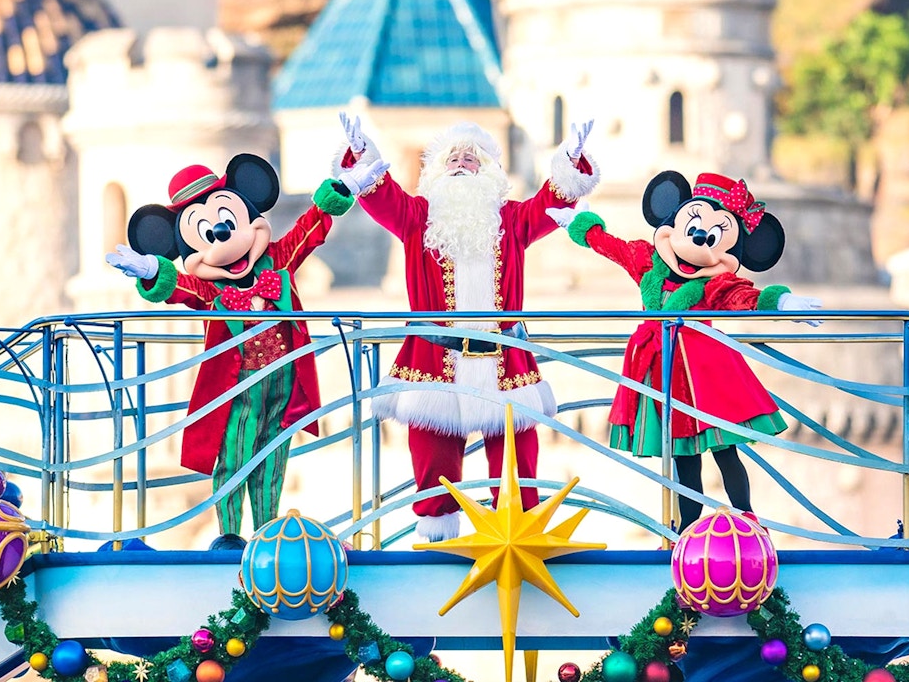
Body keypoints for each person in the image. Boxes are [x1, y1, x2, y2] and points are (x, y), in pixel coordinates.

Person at [336, 114, 600, 541]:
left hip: (504, 362)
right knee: (433, 465)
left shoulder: (511, 220)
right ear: (436, 172)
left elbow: (551, 204)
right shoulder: (418, 217)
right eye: (452, 159)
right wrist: (363, 155)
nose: (461, 164)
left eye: (471, 159)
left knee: (517, 466)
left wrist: (569, 162)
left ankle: (520, 542)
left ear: (489, 170)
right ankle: (438, 541)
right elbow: (383, 198)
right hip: (435, 361)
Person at [549, 170, 822, 534]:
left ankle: (747, 517)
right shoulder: (649, 264)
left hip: (707, 379)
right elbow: (614, 248)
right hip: (663, 374)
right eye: (693, 227)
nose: (698, 241)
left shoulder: (715, 283)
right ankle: (687, 528)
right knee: (684, 459)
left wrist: (781, 302)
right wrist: (581, 226)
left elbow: (743, 296)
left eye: (713, 237)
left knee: (725, 450)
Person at [105, 154, 355, 549]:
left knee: (273, 458)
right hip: (237, 387)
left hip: (284, 385)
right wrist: (154, 274)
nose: (223, 239)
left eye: (229, 223)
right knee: (235, 454)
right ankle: (229, 534)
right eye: (206, 234)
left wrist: (338, 191)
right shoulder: (210, 289)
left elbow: (308, 232)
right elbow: (180, 289)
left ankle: (268, 530)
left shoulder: (278, 263)